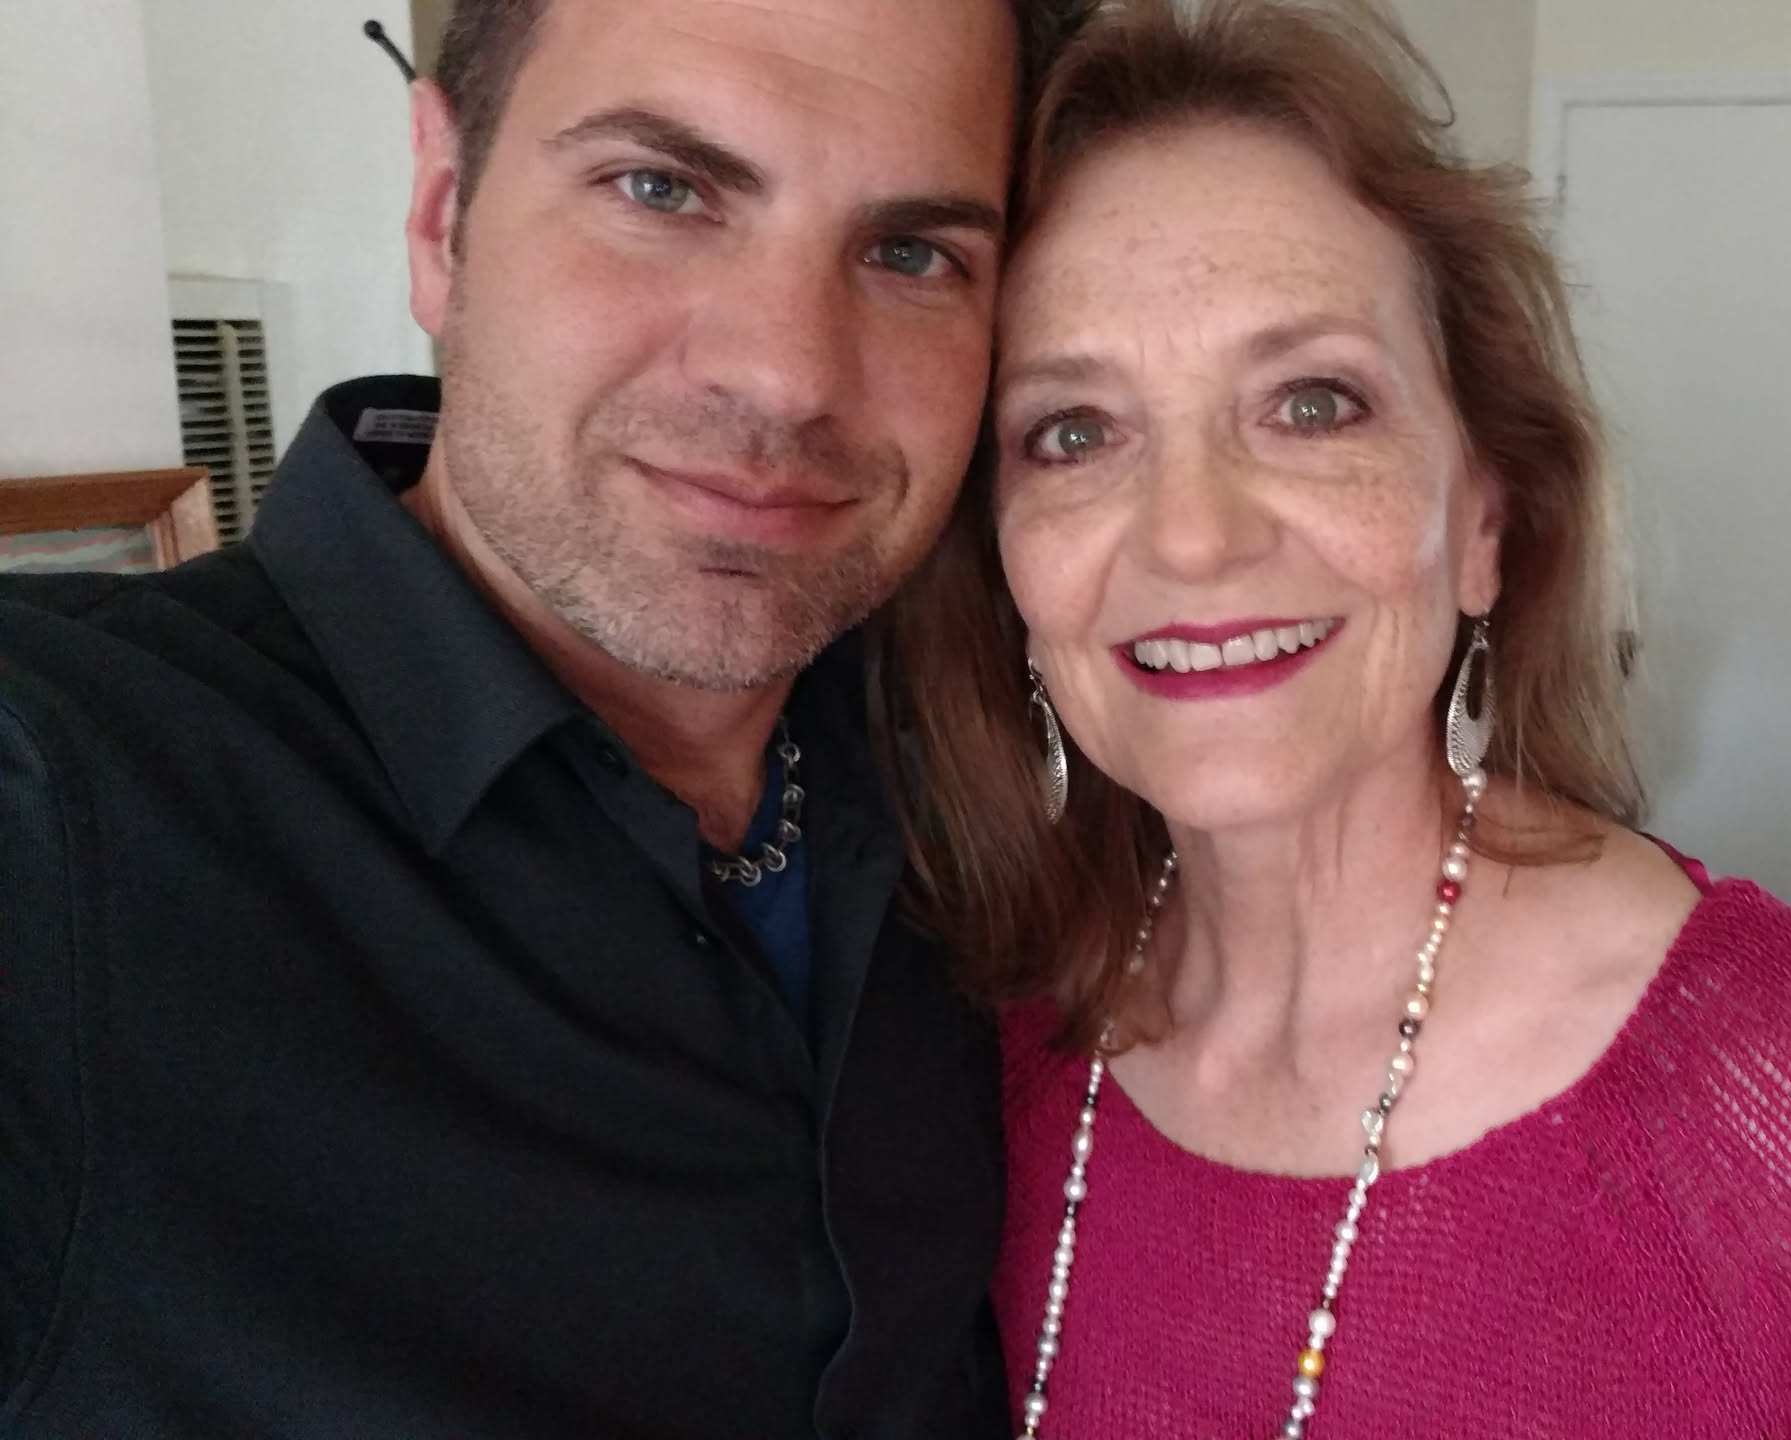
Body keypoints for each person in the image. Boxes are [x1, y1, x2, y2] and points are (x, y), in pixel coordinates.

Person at [880, 1, 1791, 1434]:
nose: (1191, 537)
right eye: (1072, 432)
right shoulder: (1002, 1030)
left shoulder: (1753, 1070)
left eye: (1312, 404)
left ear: (1489, 520)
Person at [0, 0, 1078, 1433]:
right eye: (662, 189)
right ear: (441, 213)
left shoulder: (973, 779)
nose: (787, 372)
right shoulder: (58, 811)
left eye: (910, 253)